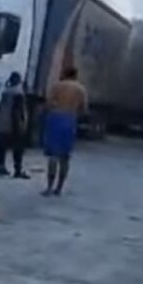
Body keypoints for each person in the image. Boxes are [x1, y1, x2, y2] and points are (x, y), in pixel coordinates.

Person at [41, 67, 87, 196]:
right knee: (65, 157)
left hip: (55, 118)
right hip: (70, 119)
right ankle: (59, 188)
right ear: (75, 75)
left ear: (64, 74)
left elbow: (48, 103)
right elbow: (84, 109)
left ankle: (49, 187)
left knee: (53, 156)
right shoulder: (80, 89)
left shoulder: (57, 86)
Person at [0, 71, 31, 179]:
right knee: (18, 148)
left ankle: (1, 166)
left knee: (2, 146)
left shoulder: (6, 91)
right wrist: (20, 125)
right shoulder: (18, 93)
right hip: (13, 124)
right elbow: (17, 111)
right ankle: (17, 170)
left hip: (2, 122)